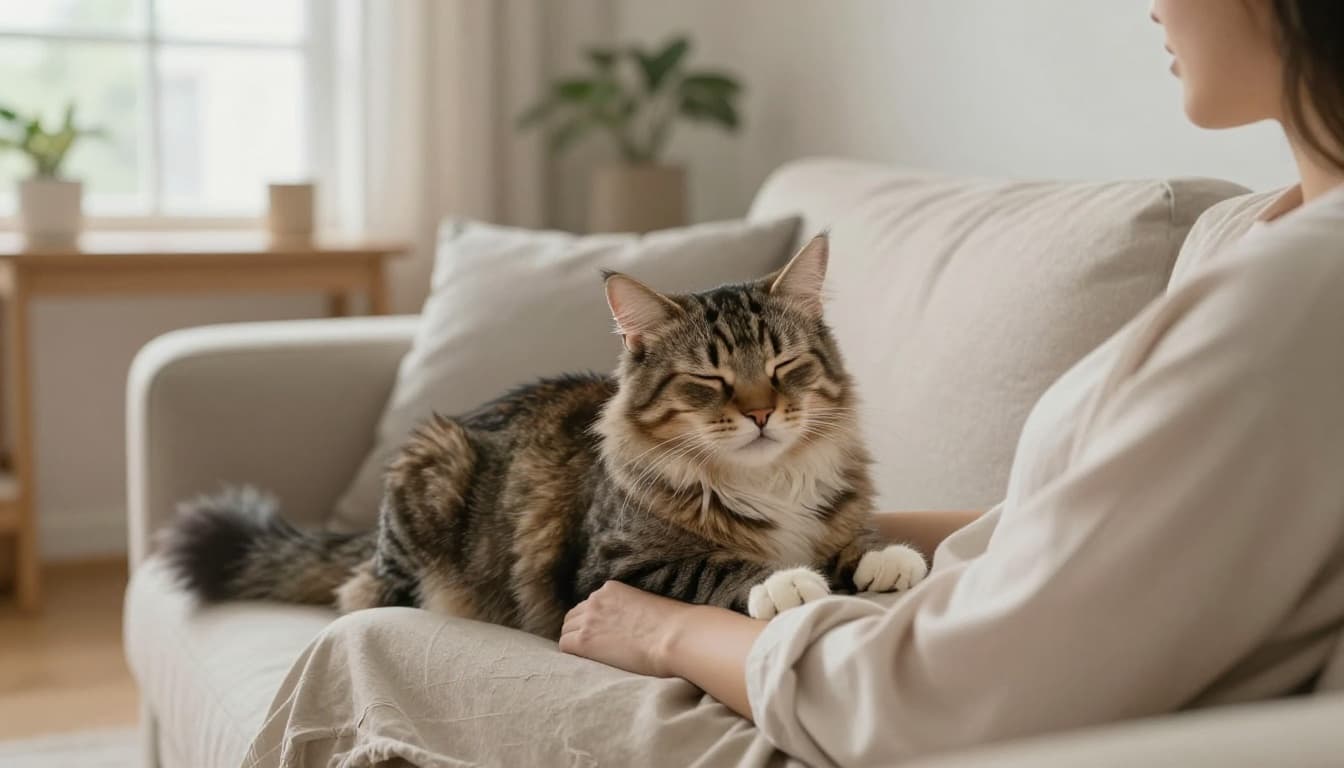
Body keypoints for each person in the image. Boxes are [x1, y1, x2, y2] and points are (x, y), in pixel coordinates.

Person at [246, 2, 1344, 765]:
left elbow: (935, 702)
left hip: (879, 709)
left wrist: (664, 633)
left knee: (366, 660)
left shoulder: (1305, 285)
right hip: (889, 635)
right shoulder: (1246, 236)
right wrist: (844, 534)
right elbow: (1112, 521)